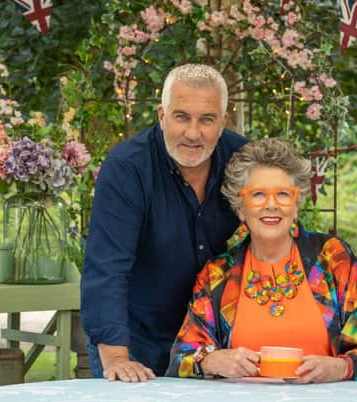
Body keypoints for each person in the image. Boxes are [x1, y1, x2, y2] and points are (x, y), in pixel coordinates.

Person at [166, 138, 357, 382]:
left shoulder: (332, 258)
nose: (271, 205)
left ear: (295, 205)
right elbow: (181, 359)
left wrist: (340, 368)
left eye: (283, 194)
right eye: (258, 194)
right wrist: (210, 361)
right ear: (240, 207)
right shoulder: (218, 274)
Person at [80, 64, 246, 382]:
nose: (193, 133)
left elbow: (272, 232)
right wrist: (116, 357)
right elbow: (107, 267)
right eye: (181, 116)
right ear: (161, 114)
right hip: (133, 339)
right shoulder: (127, 168)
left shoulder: (241, 159)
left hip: (210, 344)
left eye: (207, 120)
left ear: (223, 121)